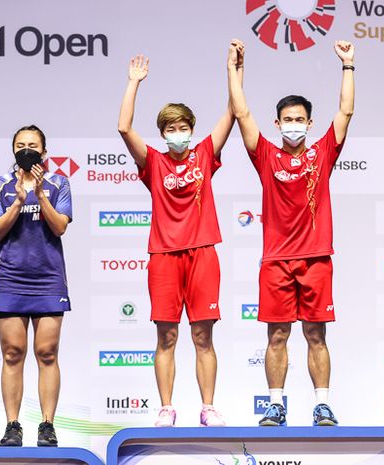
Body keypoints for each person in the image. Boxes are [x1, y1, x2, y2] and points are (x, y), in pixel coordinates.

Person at [228, 41, 355, 426]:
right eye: (287, 119)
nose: (294, 125)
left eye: (301, 119)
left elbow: (346, 110)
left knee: (316, 335)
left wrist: (348, 65)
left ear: (309, 124)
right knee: (277, 336)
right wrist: (234, 67)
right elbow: (242, 111)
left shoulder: (322, 153)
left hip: (316, 257)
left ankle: (322, 404)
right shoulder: (266, 155)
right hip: (277, 261)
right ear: (278, 123)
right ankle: (276, 404)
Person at [117, 42, 244, 427]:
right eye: (170, 129)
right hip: (164, 255)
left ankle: (208, 407)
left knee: (203, 336)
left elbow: (234, 113)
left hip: (203, 252)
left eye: (183, 127)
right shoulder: (153, 162)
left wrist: (234, 68)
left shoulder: (204, 154)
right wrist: (133, 83)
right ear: (162, 133)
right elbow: (124, 127)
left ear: (191, 129)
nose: (178, 134)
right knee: (166, 336)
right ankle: (166, 408)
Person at [0, 125, 72, 447]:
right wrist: (18, 201)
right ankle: (12, 425)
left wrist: (39, 195)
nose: (26, 150)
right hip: (9, 278)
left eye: (33, 145)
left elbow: (60, 226)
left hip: (48, 278)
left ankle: (47, 425)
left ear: (44, 152)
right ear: (13, 151)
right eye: (20, 145)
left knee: (47, 353)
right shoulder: (0, 185)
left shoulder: (59, 183)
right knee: (12, 353)